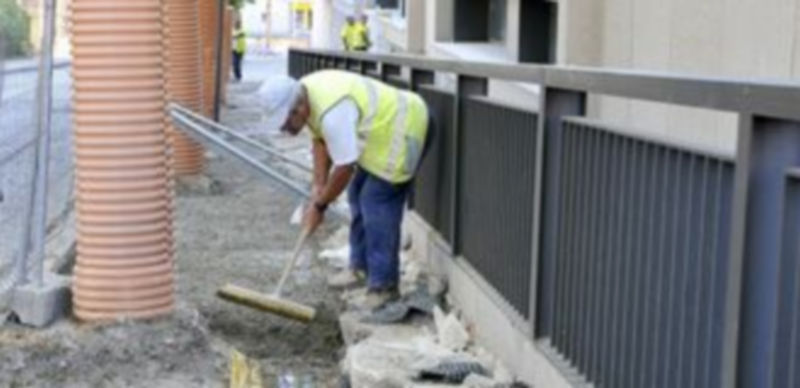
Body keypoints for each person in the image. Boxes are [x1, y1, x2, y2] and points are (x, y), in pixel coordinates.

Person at [258, 70, 431, 308]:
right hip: (381, 135)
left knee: (375, 200)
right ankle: (360, 268)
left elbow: (344, 168)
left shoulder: (333, 112)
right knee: (356, 193)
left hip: (405, 127)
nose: (285, 130)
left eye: (286, 123)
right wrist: (318, 186)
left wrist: (320, 206)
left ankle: (384, 287)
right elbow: (320, 140)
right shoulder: (305, 91)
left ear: (298, 109)